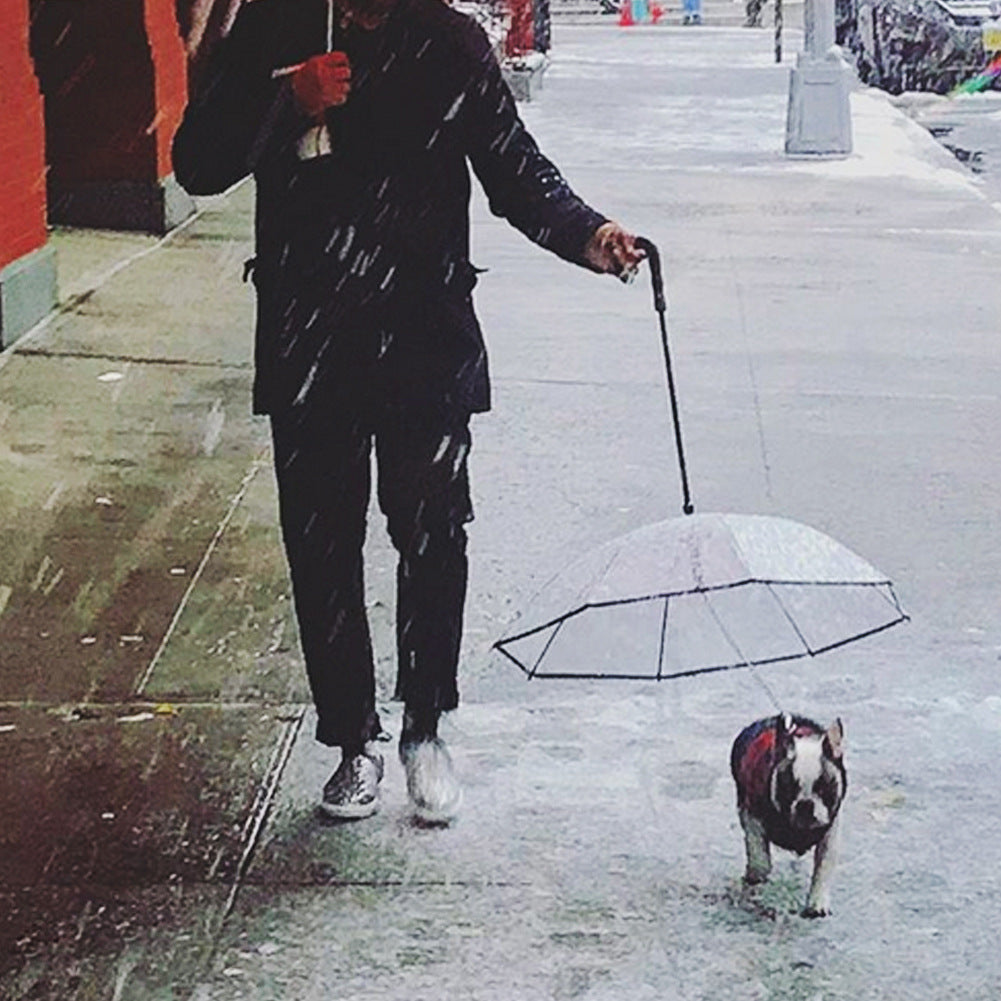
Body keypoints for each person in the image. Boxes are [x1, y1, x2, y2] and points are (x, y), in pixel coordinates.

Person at [172, 0, 642, 825]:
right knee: (322, 543)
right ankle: (354, 739)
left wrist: (586, 233)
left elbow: (511, 166)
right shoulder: (283, 27)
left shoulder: (448, 42)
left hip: (424, 335)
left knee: (431, 533)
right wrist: (289, 99)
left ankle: (425, 727)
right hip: (310, 334)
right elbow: (198, 162)